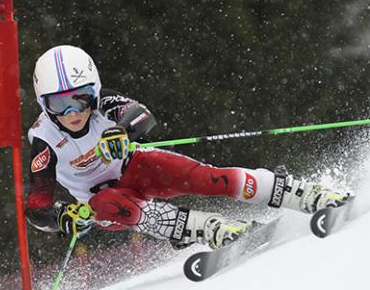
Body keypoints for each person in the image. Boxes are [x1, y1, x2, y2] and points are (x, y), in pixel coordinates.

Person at [25, 45, 350, 249]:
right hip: (107, 206)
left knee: (207, 179)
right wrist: (62, 217)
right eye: (59, 104)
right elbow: (37, 205)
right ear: (44, 104)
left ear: (93, 92)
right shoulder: (45, 140)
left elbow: (142, 116)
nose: (73, 112)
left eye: (80, 99)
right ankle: (206, 228)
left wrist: (121, 131)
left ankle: (301, 193)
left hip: (136, 170)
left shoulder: (103, 103)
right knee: (107, 202)